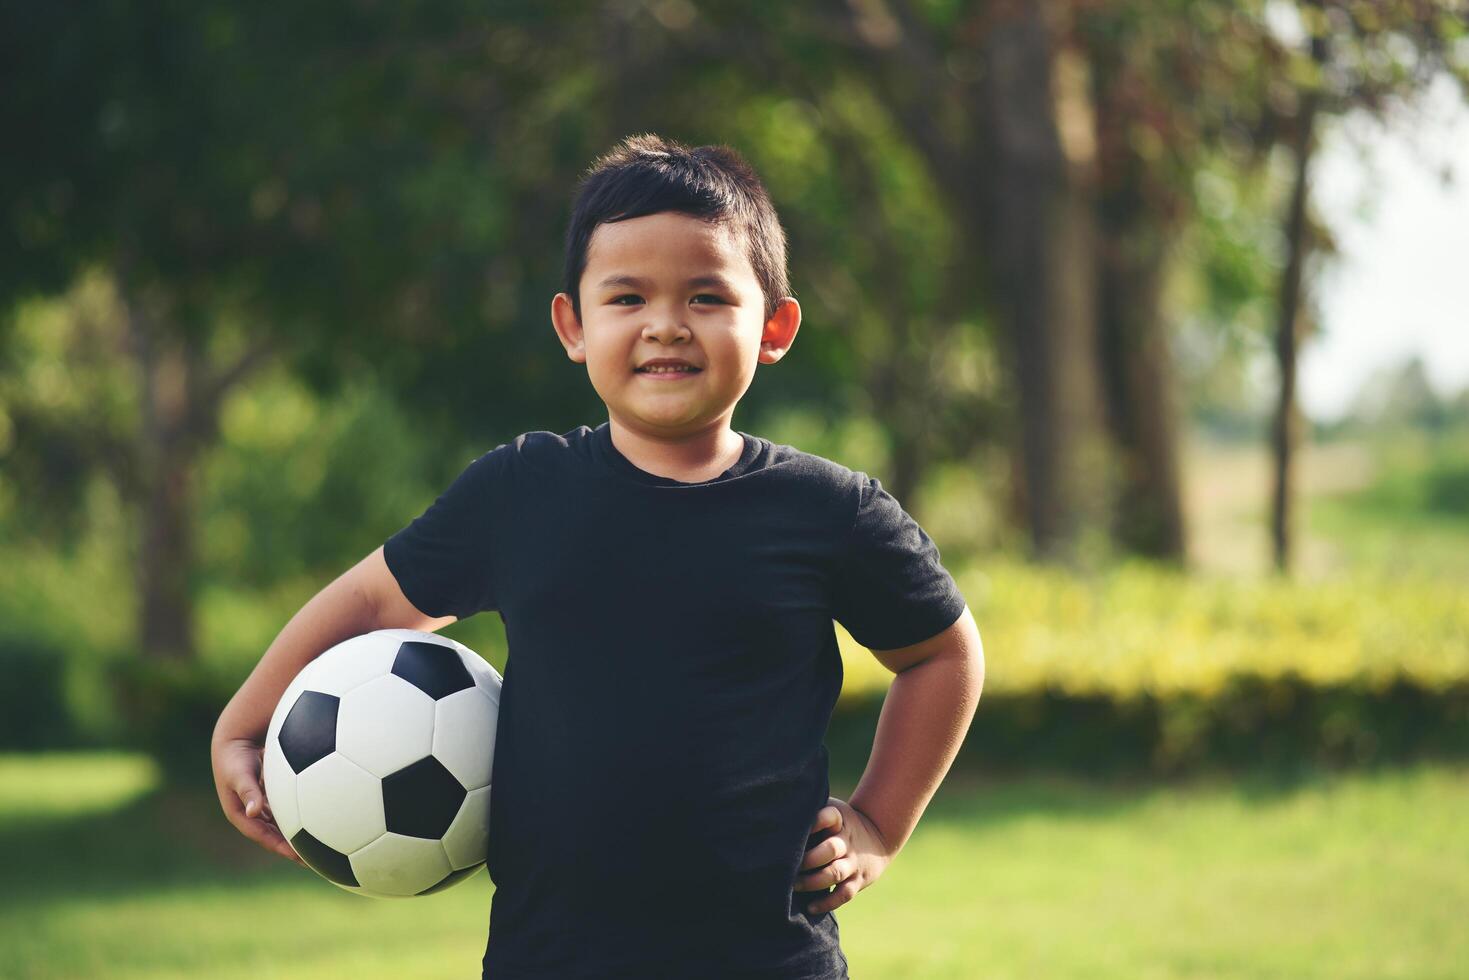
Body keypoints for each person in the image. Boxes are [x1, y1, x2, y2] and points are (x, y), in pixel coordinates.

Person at [212, 133, 985, 979]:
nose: (665, 325)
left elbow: (942, 653)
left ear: (774, 327)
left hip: (766, 958)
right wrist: (242, 725)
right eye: (626, 298)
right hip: (554, 959)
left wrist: (876, 824)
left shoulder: (828, 511)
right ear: (572, 326)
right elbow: (368, 603)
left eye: (704, 296)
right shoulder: (521, 492)